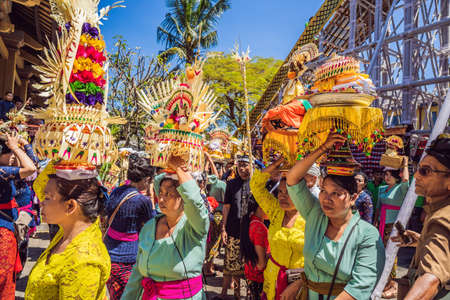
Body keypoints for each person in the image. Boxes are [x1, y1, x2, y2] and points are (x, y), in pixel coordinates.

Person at [286, 133, 385, 300]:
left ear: (354, 198)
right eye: (324, 191)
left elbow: (359, 288)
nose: (326, 198)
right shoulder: (315, 214)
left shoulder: (367, 234)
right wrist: (323, 148)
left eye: (336, 193)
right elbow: (293, 179)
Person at [121, 155, 210, 299]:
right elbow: (137, 274)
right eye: (160, 193)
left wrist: (179, 169)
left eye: (168, 194)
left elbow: (195, 203)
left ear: (183, 196)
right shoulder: (150, 227)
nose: (161, 199)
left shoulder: (195, 226)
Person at [24, 172, 110, 299]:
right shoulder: (71, 230)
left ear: (70, 206)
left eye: (47, 198)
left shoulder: (83, 262)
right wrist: (65, 160)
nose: (41, 202)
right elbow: (40, 184)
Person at [392, 134, 450, 299]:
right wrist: (421, 240)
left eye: (426, 171)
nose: (416, 176)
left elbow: (430, 279)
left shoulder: (441, 218)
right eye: (418, 168)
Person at [250, 159, 306, 300]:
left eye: (288, 192)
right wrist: (274, 166)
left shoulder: (311, 217)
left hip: (300, 286)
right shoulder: (276, 210)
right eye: (280, 191)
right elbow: (256, 186)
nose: (282, 196)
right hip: (272, 281)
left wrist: (301, 281)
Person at [104, 153, 156, 300]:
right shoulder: (141, 200)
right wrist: (151, 198)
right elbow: (152, 222)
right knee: (130, 295)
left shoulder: (117, 191)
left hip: (109, 252)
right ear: (146, 179)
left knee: (116, 295)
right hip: (129, 257)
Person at [0, 133, 36, 300]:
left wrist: (23, 145)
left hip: (8, 226)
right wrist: (16, 146)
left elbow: (33, 164)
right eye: (11, 154)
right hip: (2, 233)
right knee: (4, 280)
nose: (14, 157)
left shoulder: (6, 171)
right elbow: (31, 168)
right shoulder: (2, 172)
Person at [374, 161, 409, 298]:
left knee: (391, 254)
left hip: (394, 226)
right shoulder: (382, 188)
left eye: (390, 175)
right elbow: (378, 207)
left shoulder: (401, 188)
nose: (387, 177)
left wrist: (405, 164)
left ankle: (391, 284)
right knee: (380, 254)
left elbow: (406, 179)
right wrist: (375, 222)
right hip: (381, 224)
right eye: (386, 174)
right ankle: (382, 282)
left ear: (397, 176)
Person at [220, 154, 252, 298]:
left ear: (251, 166)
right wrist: (223, 228)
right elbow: (226, 207)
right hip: (233, 230)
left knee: (250, 268)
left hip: (251, 233)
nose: (243, 169)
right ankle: (231, 294)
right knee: (231, 265)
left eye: (246, 165)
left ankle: (249, 294)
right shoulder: (231, 184)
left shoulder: (256, 184)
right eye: (240, 166)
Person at [241, 199, 269, 300]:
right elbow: (261, 264)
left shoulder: (250, 222)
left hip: (251, 274)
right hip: (259, 278)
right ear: (261, 207)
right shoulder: (259, 227)